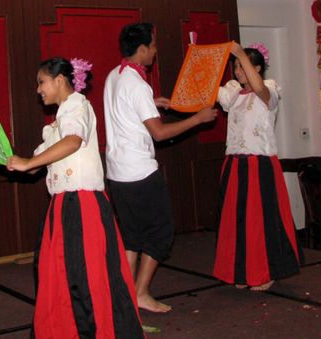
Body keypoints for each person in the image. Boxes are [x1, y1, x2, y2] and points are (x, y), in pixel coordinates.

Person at [6, 57, 144, 338]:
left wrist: (28, 164)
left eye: (41, 82)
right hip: (63, 205)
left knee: (83, 276)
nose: (38, 90)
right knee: (57, 272)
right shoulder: (56, 124)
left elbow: (72, 142)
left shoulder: (77, 106)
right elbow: (35, 159)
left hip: (82, 204)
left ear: (59, 81)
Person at [103, 22, 217, 313]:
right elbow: (159, 133)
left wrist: (152, 103)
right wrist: (198, 119)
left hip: (117, 172)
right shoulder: (137, 84)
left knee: (132, 236)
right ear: (141, 49)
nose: (155, 51)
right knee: (161, 232)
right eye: (152, 46)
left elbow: (125, 109)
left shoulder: (115, 76)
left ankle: (127, 295)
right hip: (139, 171)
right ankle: (141, 292)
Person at [213, 41, 303, 291]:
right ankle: (240, 272)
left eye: (242, 66)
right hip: (235, 163)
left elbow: (260, 89)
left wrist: (241, 53)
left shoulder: (270, 89)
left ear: (257, 67)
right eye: (235, 67)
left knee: (262, 220)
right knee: (237, 220)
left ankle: (266, 272)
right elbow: (206, 89)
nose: (237, 71)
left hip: (260, 164)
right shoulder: (233, 92)